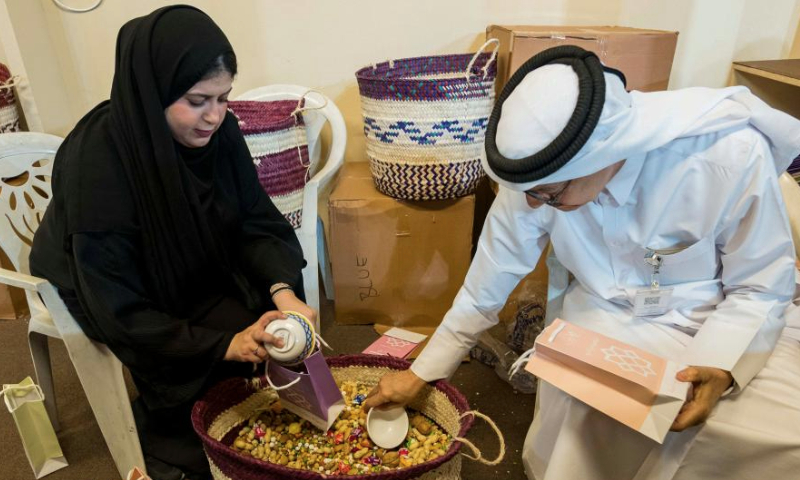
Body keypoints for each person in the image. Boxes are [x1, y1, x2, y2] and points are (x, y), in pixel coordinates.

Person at [364, 45, 800, 479]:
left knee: (772, 435)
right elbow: (485, 288)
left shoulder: (728, 155)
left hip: (720, 314)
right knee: (595, 405)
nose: (535, 206)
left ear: (604, 155)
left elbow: (761, 286)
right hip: (603, 313)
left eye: (550, 195)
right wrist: (421, 374)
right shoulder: (537, 179)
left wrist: (721, 365)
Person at [29, 6, 313, 480]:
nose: (215, 116)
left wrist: (285, 293)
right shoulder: (98, 165)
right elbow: (119, 305)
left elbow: (255, 221)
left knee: (273, 322)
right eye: (198, 100)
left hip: (187, 261)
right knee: (224, 374)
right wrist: (226, 344)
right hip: (113, 284)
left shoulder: (220, 135)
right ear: (152, 91)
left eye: (224, 98)